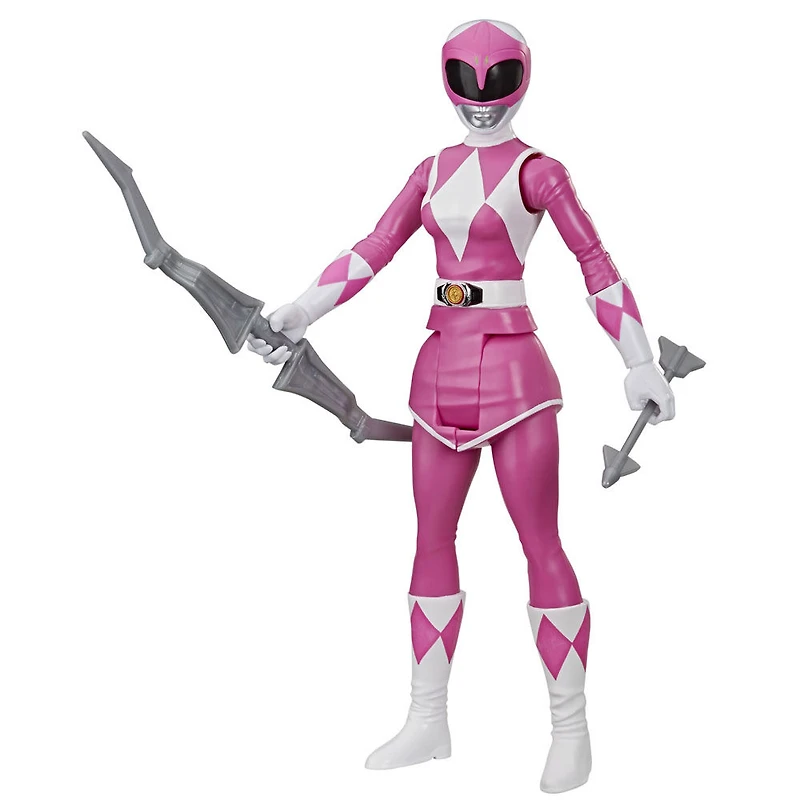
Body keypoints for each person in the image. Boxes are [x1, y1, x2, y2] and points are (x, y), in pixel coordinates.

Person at [248, 19, 674, 794]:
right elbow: (373, 248)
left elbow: (595, 263)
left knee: (540, 544)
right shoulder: (432, 170)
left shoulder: (540, 172)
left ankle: (571, 730)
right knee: (430, 539)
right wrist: (300, 311)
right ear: (446, 78)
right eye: (467, 80)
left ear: (523, 78)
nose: (482, 97)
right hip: (439, 368)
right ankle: (427, 719)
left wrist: (639, 360)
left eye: (498, 79)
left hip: (515, 375)